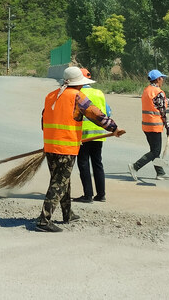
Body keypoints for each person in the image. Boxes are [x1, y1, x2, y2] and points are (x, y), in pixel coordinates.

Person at [37, 66, 125, 232]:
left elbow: (44, 120)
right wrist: (114, 128)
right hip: (66, 147)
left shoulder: (51, 96)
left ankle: (67, 213)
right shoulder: (77, 97)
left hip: (50, 146)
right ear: (79, 84)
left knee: (63, 180)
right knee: (59, 183)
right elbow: (95, 114)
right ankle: (44, 220)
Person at [128, 70, 169, 182]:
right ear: (157, 79)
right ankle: (135, 166)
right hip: (154, 126)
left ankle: (160, 173)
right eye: (162, 78)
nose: (163, 80)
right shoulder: (158, 92)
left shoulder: (147, 90)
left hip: (146, 125)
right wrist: (168, 128)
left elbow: (161, 101)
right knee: (155, 152)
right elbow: (163, 112)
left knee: (154, 150)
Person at [74, 68, 110, 203]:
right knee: (97, 163)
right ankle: (101, 195)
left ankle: (88, 195)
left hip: (83, 134)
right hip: (99, 133)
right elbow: (108, 112)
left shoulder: (77, 93)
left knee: (83, 163)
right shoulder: (99, 92)